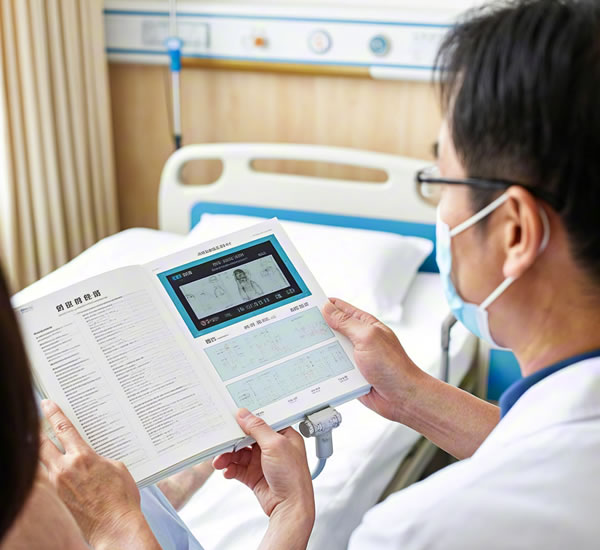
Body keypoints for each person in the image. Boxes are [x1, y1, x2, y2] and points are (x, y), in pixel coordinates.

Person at [32, 0, 600, 548]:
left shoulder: (419, 532)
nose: (440, 209)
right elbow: (542, 450)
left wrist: (116, 527)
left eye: (440, 180)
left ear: (515, 232)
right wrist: (411, 395)